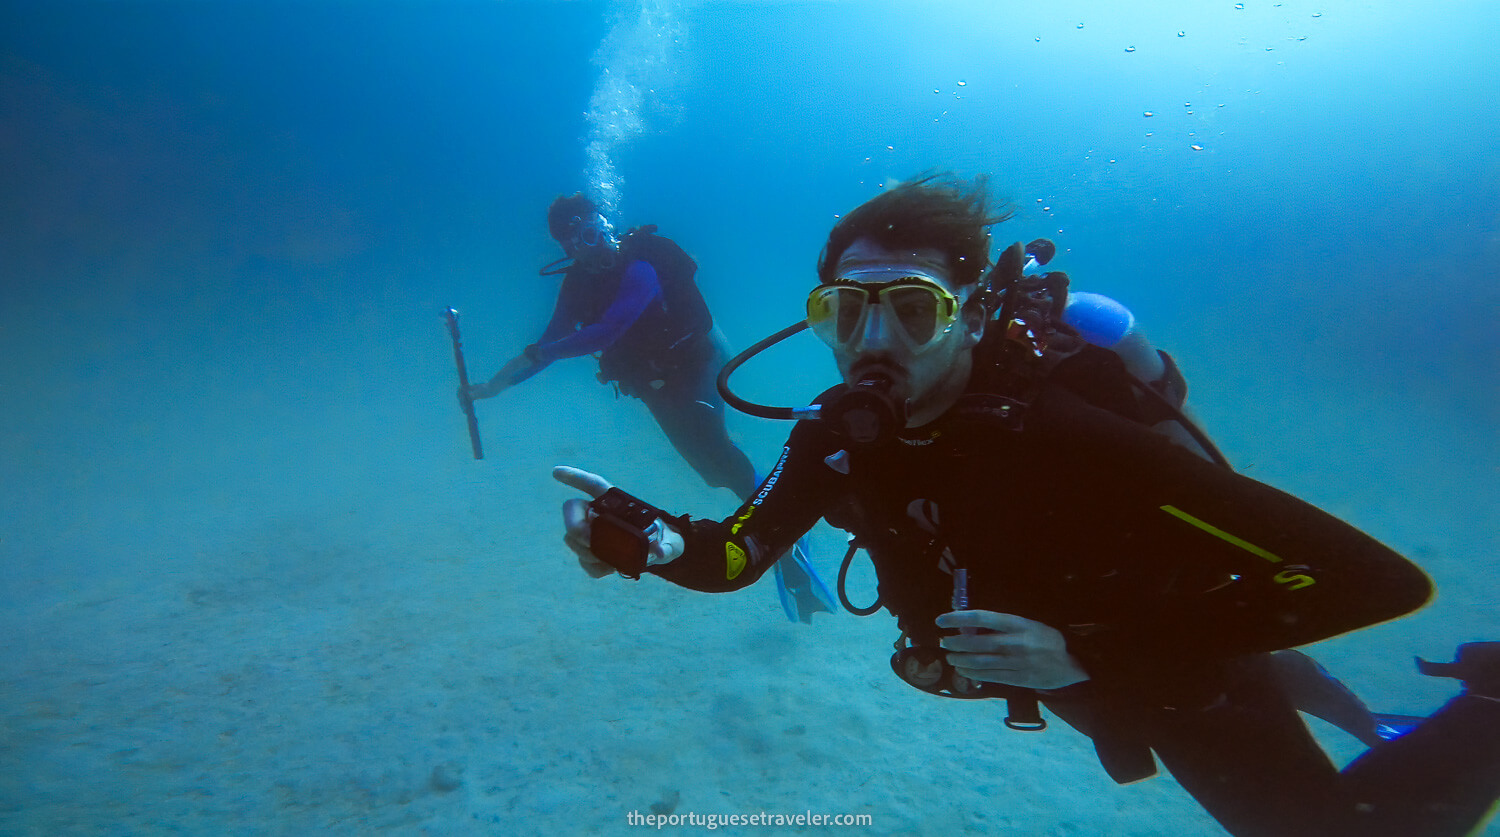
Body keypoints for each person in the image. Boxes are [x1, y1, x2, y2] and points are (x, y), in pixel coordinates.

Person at [551, 175, 1500, 836]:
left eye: (913, 308)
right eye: (845, 310)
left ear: (966, 310)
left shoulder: (1063, 434)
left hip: (1176, 667)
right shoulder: (836, 435)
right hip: (1099, 681)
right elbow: (733, 558)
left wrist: (1089, 651)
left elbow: (1376, 579)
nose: (872, 340)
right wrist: (649, 538)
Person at [467, 193, 833, 622]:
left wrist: (536, 353)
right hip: (654, 382)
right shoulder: (577, 286)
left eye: (595, 227)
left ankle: (780, 540)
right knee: (711, 471)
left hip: (699, 361)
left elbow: (607, 331)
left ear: (606, 221)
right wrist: (492, 387)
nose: (593, 241)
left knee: (718, 455)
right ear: (566, 247)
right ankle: (774, 525)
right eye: (579, 238)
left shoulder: (642, 259)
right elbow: (548, 346)